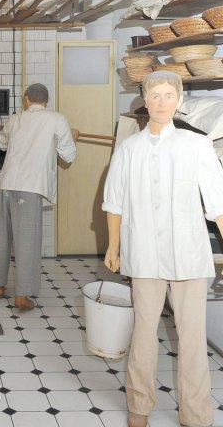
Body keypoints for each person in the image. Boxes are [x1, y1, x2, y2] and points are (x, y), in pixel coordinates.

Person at [103, 70, 223, 427]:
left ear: (179, 100)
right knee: (143, 333)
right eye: (155, 96)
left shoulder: (196, 145)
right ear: (144, 99)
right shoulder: (129, 148)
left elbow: (218, 205)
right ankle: (139, 407)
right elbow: (115, 202)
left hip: (188, 255)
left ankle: (195, 414)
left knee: (191, 338)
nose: (161, 103)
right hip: (143, 255)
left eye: (169, 95)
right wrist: (114, 246)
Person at [0, 83, 78, 311]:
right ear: (46, 101)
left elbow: (3, 145)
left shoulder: (14, 119)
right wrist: (73, 136)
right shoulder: (57, 119)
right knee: (27, 241)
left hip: (6, 184)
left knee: (3, 236)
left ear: (27, 99)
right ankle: (21, 295)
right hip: (30, 188)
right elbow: (68, 155)